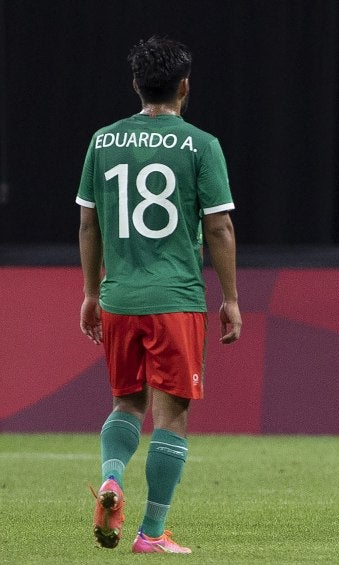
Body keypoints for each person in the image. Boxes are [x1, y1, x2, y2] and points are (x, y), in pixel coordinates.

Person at [78, 35, 242, 554]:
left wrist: (90, 293)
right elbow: (219, 228)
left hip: (119, 297)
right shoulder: (201, 144)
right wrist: (232, 298)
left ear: (135, 84)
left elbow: (88, 223)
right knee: (171, 417)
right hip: (175, 299)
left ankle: (111, 478)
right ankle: (151, 533)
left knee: (125, 404)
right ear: (184, 86)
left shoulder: (102, 141)